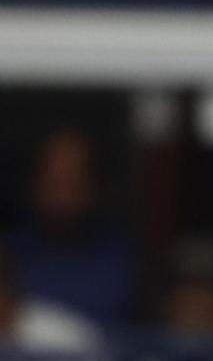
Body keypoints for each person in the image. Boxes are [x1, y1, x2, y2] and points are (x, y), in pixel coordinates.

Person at [5, 127, 133, 327]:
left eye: (73, 183)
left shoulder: (126, 261)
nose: (62, 197)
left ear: (93, 188)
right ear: (35, 184)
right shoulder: (8, 256)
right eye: (54, 183)